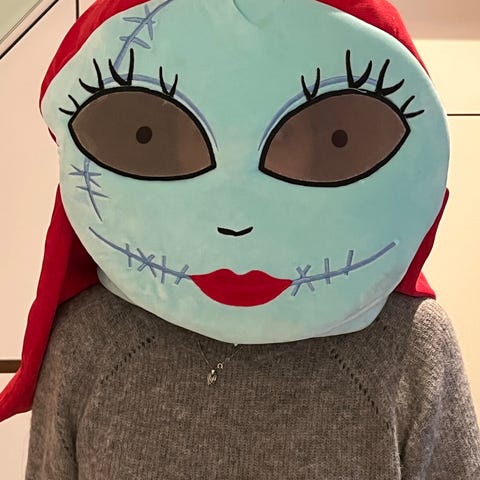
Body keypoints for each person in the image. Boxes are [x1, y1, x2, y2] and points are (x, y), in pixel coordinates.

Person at [1, 0, 479, 478]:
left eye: (292, 134)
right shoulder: (90, 339)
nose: (235, 219)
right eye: (153, 130)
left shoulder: (411, 348)